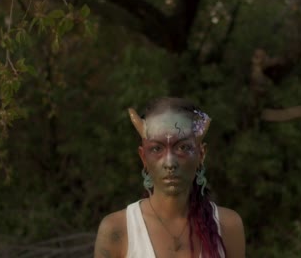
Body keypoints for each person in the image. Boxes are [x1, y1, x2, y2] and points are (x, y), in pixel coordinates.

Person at [94, 97, 245, 258]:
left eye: (183, 147)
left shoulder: (227, 226)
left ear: (201, 154)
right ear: (143, 157)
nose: (169, 162)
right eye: (157, 148)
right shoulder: (117, 229)